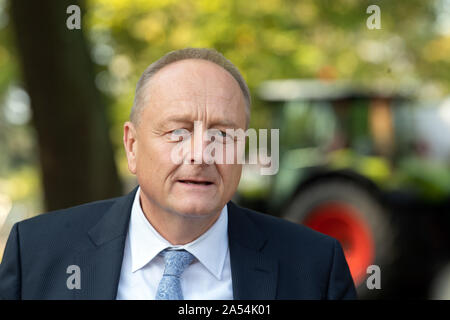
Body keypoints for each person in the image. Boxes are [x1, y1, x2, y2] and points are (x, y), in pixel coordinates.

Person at [0, 48, 356, 300]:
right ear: (132, 145)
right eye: (177, 132)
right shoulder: (36, 254)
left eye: (222, 134)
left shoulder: (314, 269)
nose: (200, 153)